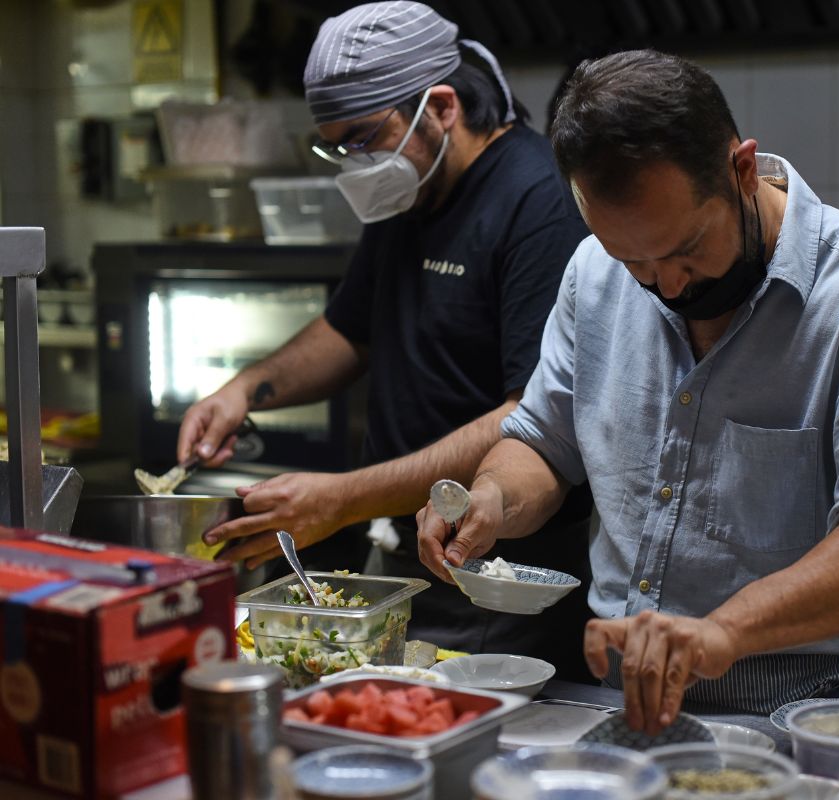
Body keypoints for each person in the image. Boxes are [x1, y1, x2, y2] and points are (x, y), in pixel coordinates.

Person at [417, 49, 839, 731]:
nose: (668, 287)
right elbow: (543, 441)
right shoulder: (594, 273)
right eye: (634, 261)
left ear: (741, 168)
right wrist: (492, 499)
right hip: (624, 695)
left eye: (687, 250)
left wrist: (725, 631)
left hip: (815, 709)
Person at [179, 2, 593, 676]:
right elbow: (350, 331)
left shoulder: (536, 201)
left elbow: (531, 416)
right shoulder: (411, 189)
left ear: (442, 106)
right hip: (405, 561)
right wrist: (245, 390)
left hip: (500, 575)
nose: (355, 162)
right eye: (337, 145)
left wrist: (344, 497)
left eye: (365, 137)